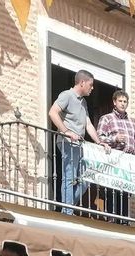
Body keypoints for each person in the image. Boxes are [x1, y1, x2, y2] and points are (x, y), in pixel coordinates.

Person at [48, 70, 99, 213]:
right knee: (69, 176)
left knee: (86, 179)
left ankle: (67, 208)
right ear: (82, 82)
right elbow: (53, 112)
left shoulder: (83, 102)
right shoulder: (67, 95)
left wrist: (99, 142)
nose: (92, 88)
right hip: (67, 143)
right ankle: (67, 212)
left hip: (80, 145)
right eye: (91, 84)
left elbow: (88, 124)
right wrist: (66, 131)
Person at [95, 90, 135, 219]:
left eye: (125, 101)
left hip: (128, 162)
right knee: (112, 190)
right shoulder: (107, 119)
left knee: (125, 192)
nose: (122, 104)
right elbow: (99, 138)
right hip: (113, 161)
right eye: (120, 101)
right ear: (114, 102)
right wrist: (114, 139)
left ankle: (124, 221)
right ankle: (112, 219)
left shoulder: (133, 122)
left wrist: (134, 153)